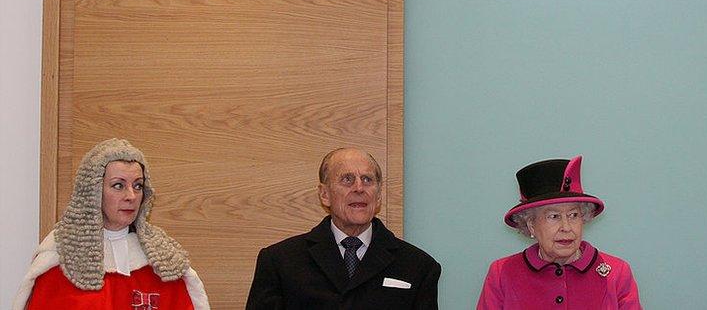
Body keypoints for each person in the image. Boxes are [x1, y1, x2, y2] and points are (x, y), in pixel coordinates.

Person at [12, 138, 209, 310]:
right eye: (118, 185)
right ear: (93, 191)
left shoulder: (166, 263)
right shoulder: (59, 262)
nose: (131, 196)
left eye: (138, 186)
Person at [245, 147, 441, 309]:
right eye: (347, 179)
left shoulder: (419, 267)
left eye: (367, 180)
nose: (359, 188)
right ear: (324, 194)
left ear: (379, 195)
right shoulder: (279, 262)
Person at [477, 155, 642, 309]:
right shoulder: (502, 273)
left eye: (573, 215)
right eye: (554, 216)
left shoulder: (616, 273)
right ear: (531, 225)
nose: (566, 227)